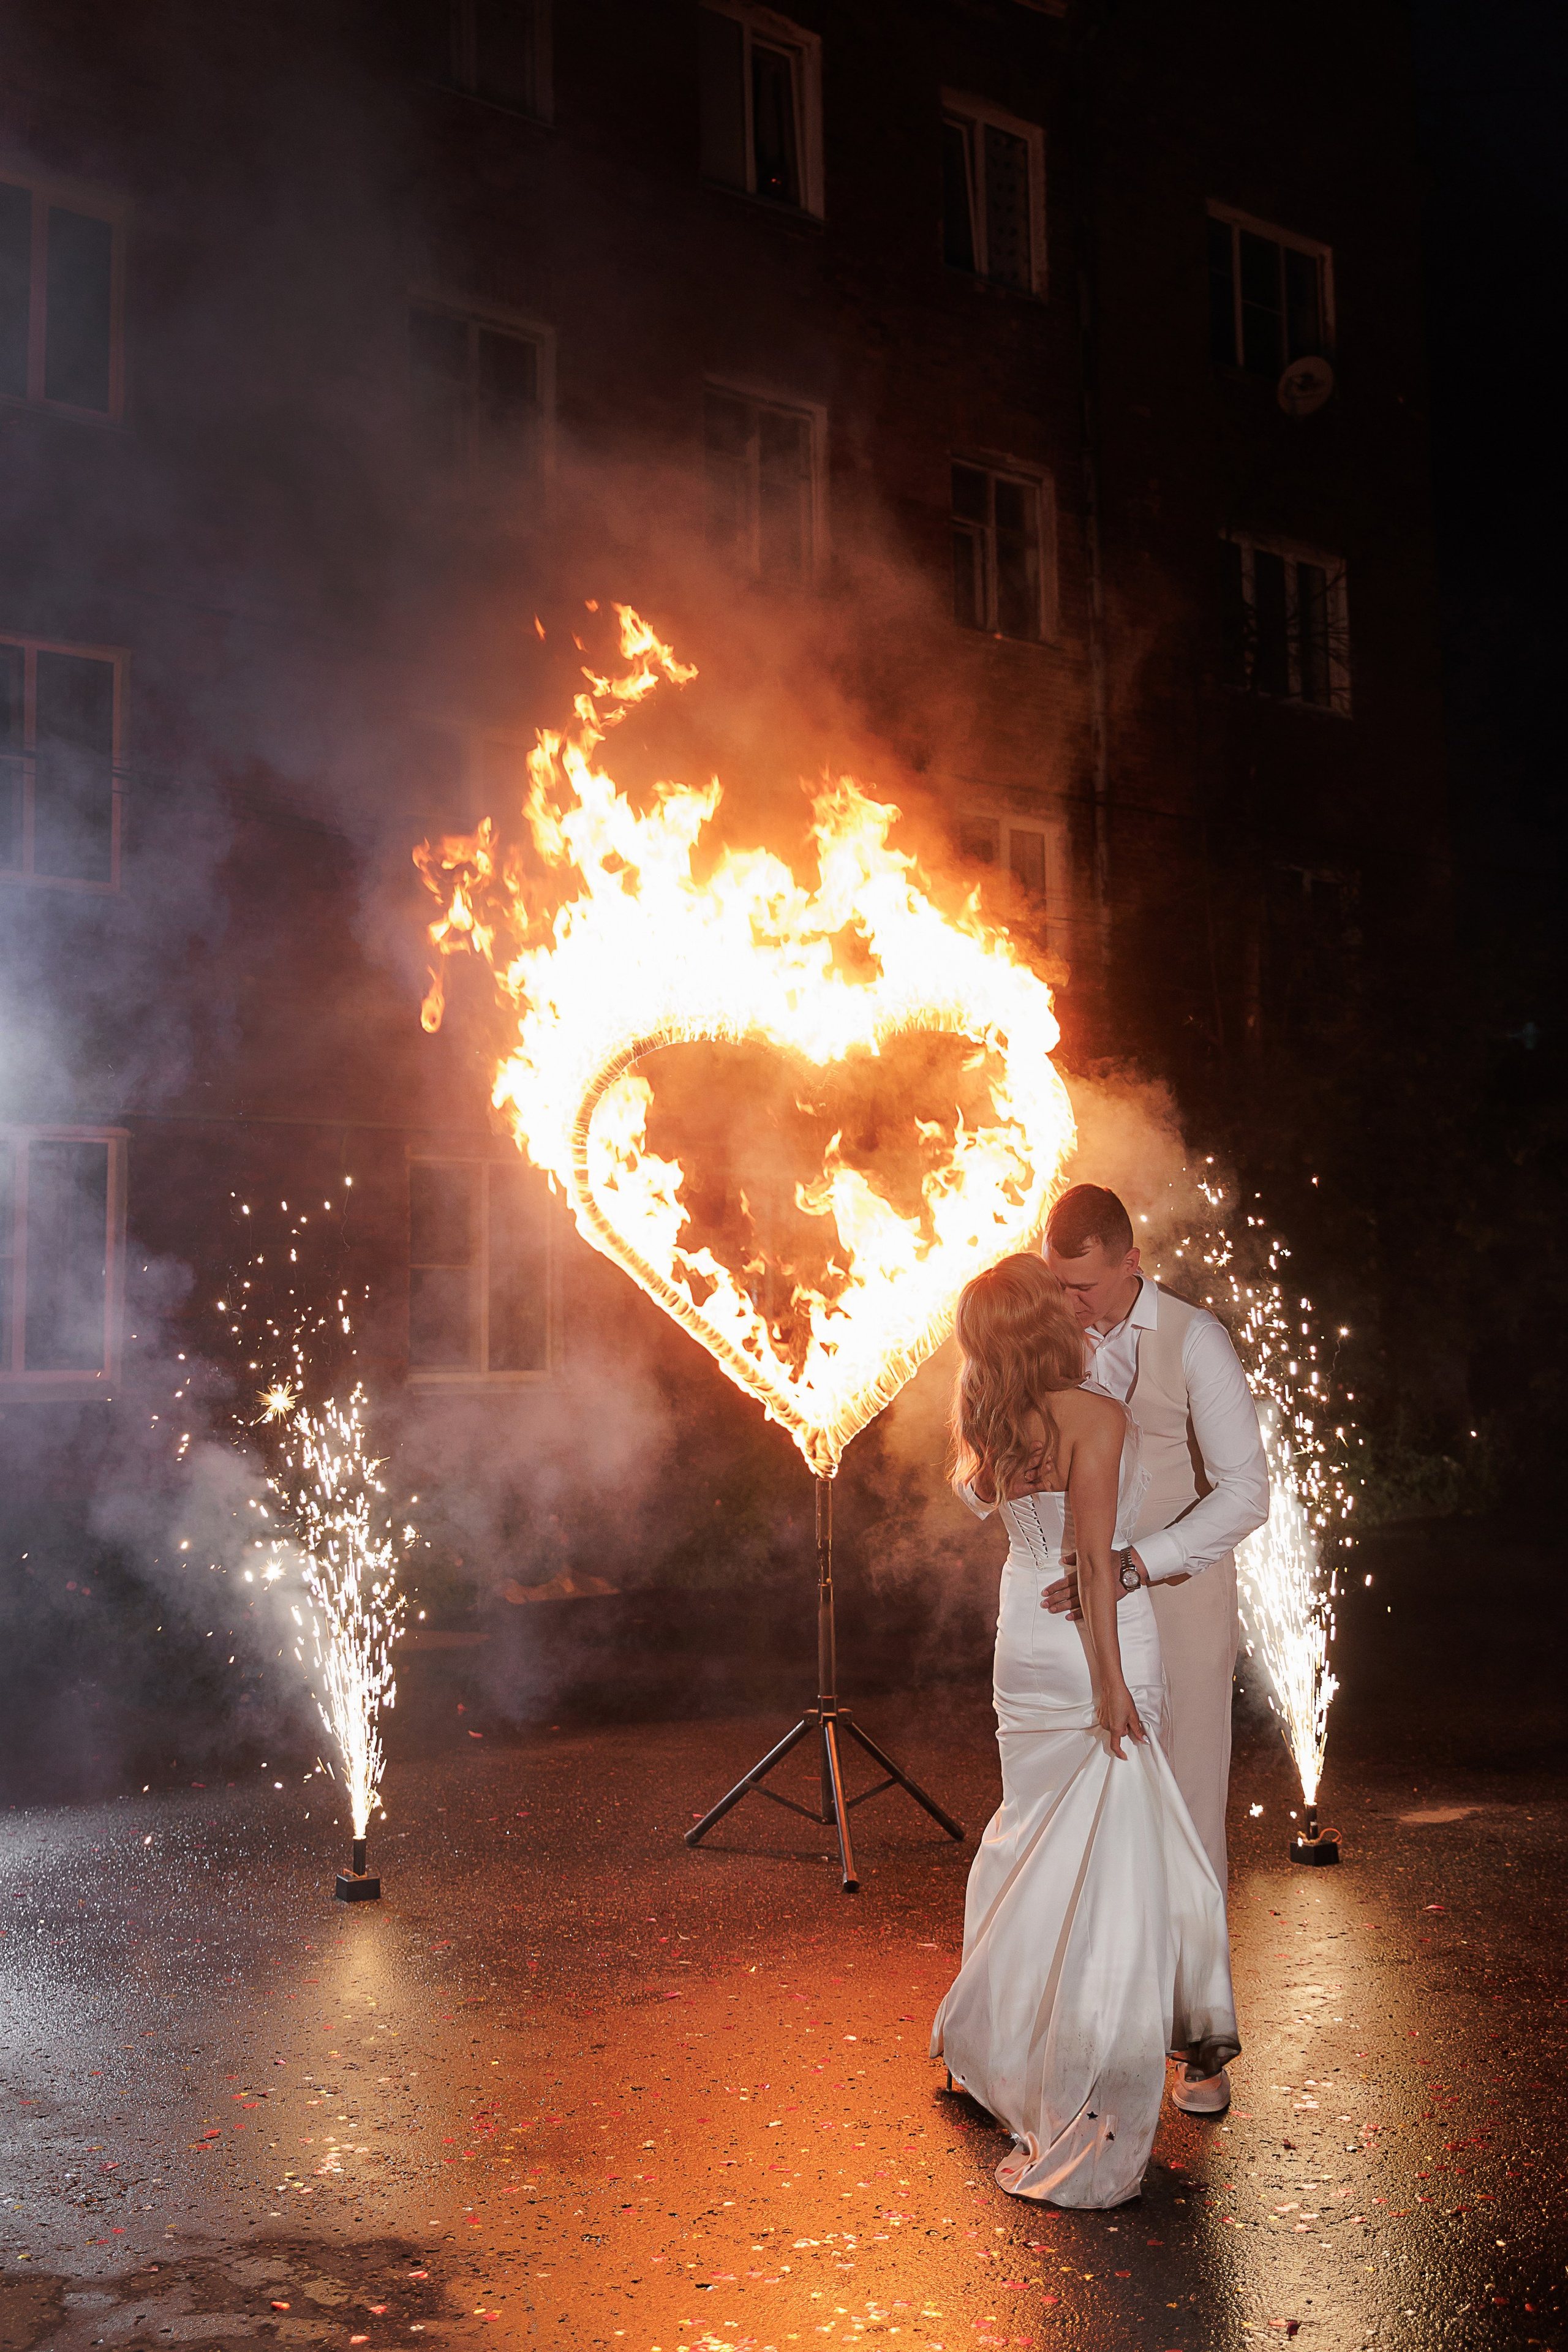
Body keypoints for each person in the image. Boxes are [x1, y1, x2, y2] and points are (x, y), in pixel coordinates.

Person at [930, 1254, 1239, 2209]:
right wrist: (1112, 1688)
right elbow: (1101, 1573)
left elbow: (1024, 1530)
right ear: (1044, 1325)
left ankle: (994, 2040)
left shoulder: (986, 1415)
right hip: (1080, 1647)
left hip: (1019, 1638)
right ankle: (1084, 2079)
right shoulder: (1091, 1418)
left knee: (1031, 1837)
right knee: (1108, 1864)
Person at [1042, 1181, 1269, 2116]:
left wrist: (1140, 1563)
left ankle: (1198, 2045)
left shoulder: (1195, 1340)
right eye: (1059, 1285)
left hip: (1176, 1597)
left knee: (1183, 1806)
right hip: (1073, 1602)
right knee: (1081, 1806)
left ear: (1130, 1262)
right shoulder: (1047, 1331)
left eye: (1085, 1288)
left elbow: (1246, 1494)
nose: (1072, 1306)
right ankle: (1086, 2028)